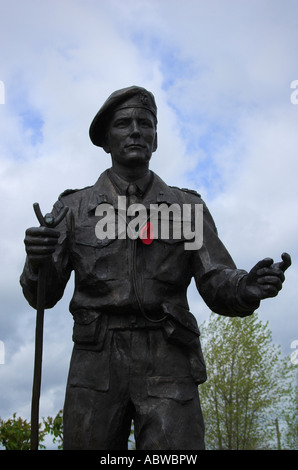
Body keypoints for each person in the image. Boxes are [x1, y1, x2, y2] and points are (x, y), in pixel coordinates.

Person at [20, 86, 291, 450]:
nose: (135, 131)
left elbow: (215, 279)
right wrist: (36, 261)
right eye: (123, 124)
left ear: (156, 138)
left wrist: (245, 287)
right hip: (96, 360)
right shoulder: (73, 208)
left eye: (145, 124)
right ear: (105, 139)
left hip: (168, 358)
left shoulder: (186, 208)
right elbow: (44, 295)